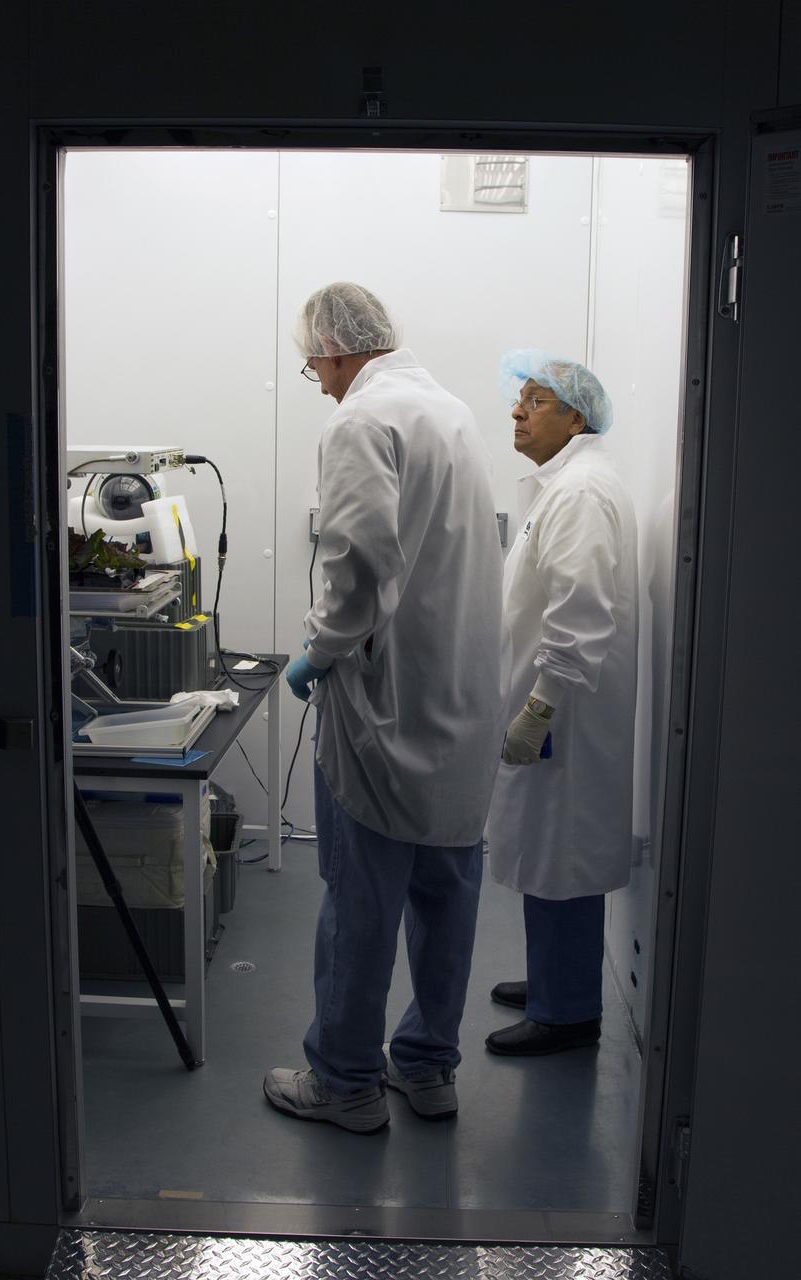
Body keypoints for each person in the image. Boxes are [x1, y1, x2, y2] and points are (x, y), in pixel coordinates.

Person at [263, 282, 504, 1131]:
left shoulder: (362, 422)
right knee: (447, 894)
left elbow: (357, 563)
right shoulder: (450, 412)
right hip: (462, 697)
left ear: (333, 348)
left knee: (359, 898)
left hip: (386, 701)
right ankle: (428, 1067)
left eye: (313, 366)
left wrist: (318, 653)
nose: (318, 382)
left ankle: (345, 1083)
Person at [484, 350, 638, 1057]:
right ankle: (553, 980)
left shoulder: (578, 494)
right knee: (546, 846)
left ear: (576, 416)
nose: (517, 411)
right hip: (557, 704)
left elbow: (580, 614)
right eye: (519, 399)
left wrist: (538, 709)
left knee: (562, 848)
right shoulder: (563, 486)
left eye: (537, 401)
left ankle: (568, 1011)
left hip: (564, 712)